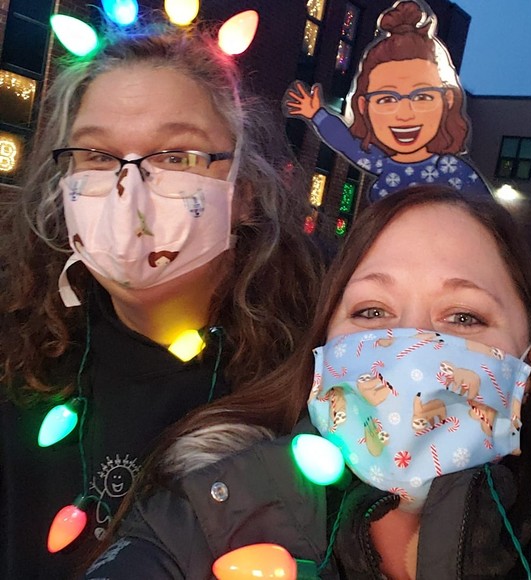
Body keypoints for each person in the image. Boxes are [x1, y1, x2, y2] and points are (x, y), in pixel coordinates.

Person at [85, 185, 531, 579]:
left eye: (464, 317)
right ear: (324, 349)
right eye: (372, 311)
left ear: (530, 367)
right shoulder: (215, 509)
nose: (408, 344)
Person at [0, 23, 324, 580]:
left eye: (177, 155)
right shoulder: (14, 357)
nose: (130, 189)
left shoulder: (309, 388)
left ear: (243, 194)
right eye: (97, 154)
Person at [285, 0, 491, 202]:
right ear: (364, 106)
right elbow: (345, 142)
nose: (404, 114)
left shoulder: (451, 170)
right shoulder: (379, 162)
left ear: (447, 100)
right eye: (386, 99)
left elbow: (487, 214)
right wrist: (317, 115)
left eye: (421, 97)